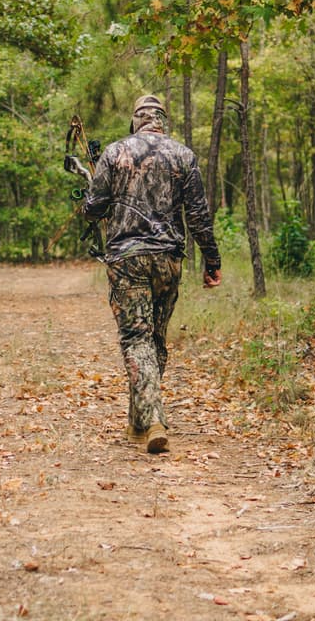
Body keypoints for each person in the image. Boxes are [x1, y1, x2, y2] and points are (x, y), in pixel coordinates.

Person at [82, 94, 221, 454]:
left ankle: (155, 418)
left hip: (127, 260)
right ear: (162, 121)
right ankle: (138, 424)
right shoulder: (182, 155)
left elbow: (94, 208)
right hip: (168, 260)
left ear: (136, 120)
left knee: (136, 340)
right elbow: (199, 215)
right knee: (154, 341)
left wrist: (89, 201)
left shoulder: (114, 153)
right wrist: (212, 260)